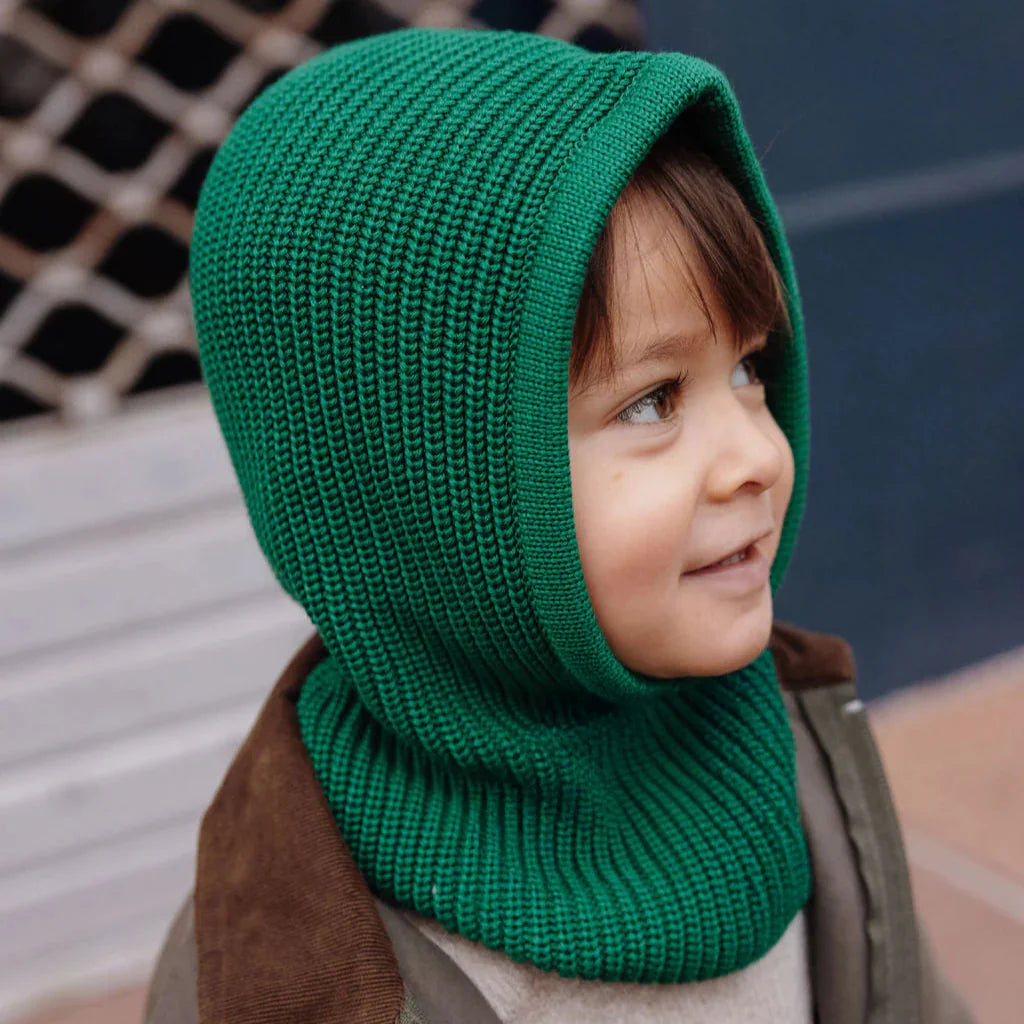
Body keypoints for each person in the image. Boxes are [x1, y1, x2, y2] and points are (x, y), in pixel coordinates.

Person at [145, 27, 974, 1023]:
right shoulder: (289, 970)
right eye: (652, 401)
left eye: (749, 367)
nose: (757, 453)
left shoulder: (781, 741)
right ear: (423, 492)